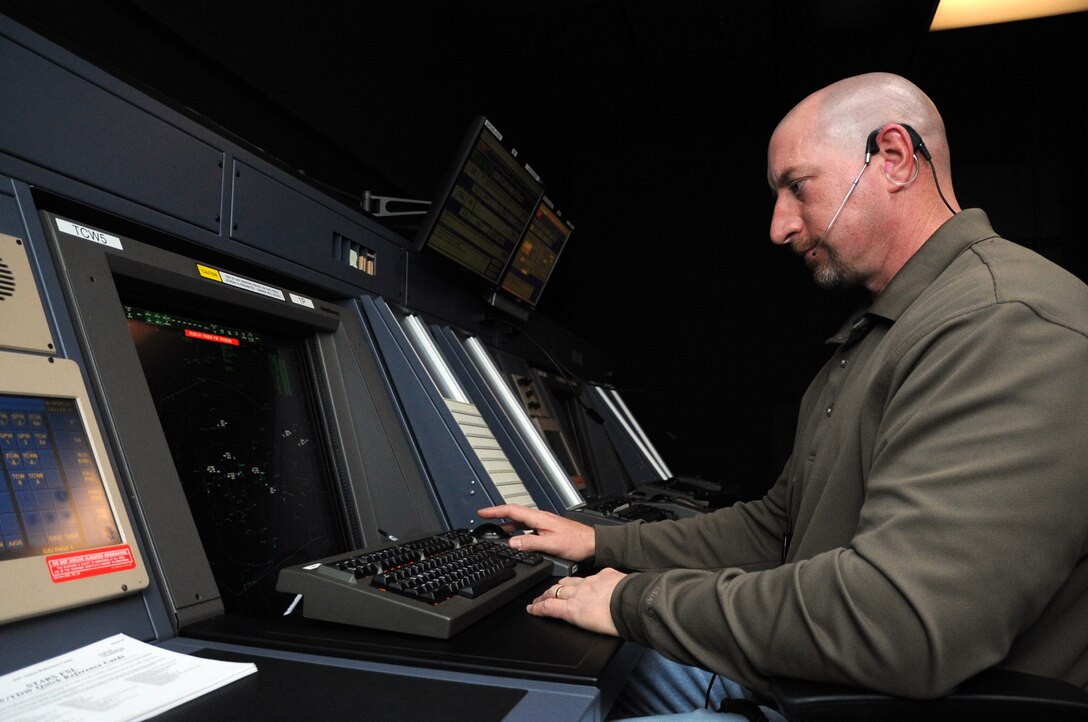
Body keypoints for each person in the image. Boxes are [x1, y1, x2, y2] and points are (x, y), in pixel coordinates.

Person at [479, 72, 1088, 717]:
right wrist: (600, 543)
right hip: (813, 684)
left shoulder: (1006, 323)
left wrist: (632, 602)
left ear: (894, 158)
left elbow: (899, 624)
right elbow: (778, 529)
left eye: (797, 187)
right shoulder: (886, 331)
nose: (778, 226)